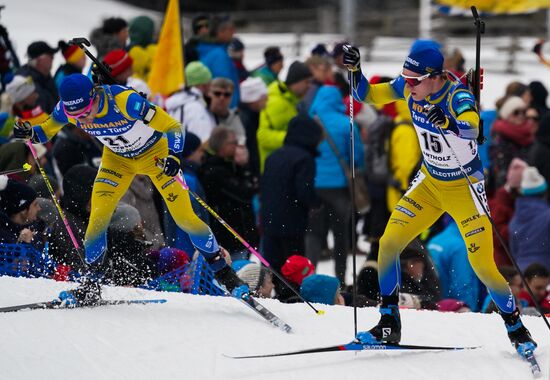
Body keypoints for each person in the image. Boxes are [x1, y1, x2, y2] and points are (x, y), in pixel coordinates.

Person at [342, 43, 536, 353]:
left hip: (464, 190)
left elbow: (472, 128)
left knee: (484, 267)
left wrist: (448, 122)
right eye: (405, 78)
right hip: (430, 184)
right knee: (388, 244)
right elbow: (368, 95)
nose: (408, 85)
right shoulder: (409, 88)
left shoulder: (457, 95)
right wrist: (355, 71)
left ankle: (516, 327)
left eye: (415, 79)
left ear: (435, 76)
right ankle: (388, 321)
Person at [13, 73, 249, 305]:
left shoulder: (125, 101)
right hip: (118, 161)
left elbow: (173, 127)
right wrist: (31, 134)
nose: (83, 121)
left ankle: (223, 272)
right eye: (76, 117)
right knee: (98, 218)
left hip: (155, 156)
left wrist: (174, 157)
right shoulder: (67, 109)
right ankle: (92, 283)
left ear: (94, 96)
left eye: (85, 113)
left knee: (185, 218)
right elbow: (47, 129)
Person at [260, 115, 322, 290]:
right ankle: (291, 297)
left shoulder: (273, 156)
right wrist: (315, 202)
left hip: (270, 219)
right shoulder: (304, 159)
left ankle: (275, 294)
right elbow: (304, 190)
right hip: (292, 220)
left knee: (273, 265)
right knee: (293, 266)